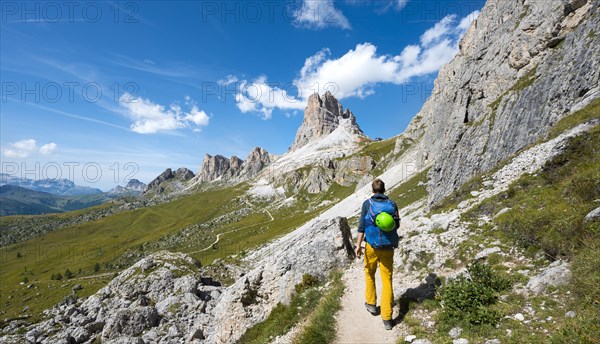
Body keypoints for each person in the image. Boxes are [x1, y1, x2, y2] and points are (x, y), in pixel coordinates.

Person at [355, 178, 400, 330]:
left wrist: (358, 245)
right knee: (387, 280)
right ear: (384, 189)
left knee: (369, 273)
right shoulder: (392, 204)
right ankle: (387, 318)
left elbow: (362, 225)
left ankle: (371, 304)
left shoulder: (367, 204)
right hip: (388, 247)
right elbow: (397, 224)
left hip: (371, 246)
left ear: (372, 190)